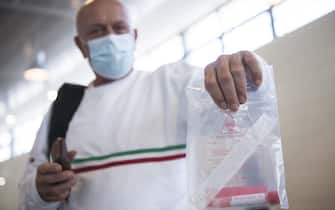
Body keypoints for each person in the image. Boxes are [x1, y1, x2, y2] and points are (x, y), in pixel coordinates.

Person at [18, 0, 266, 209]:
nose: (111, 38)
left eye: (119, 27)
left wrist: (239, 71)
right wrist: (41, 191)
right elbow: (26, 195)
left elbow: (243, 97)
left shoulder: (176, 83)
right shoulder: (63, 110)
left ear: (134, 36)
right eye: (96, 31)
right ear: (80, 45)